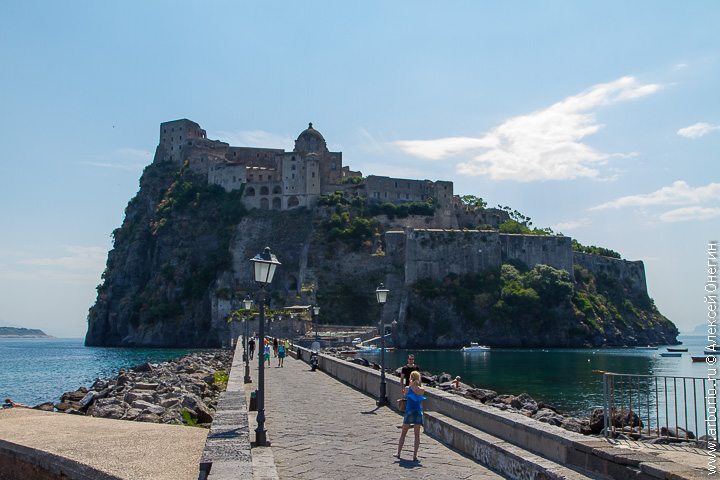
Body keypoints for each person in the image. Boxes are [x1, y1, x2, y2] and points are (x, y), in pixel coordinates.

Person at [395, 371, 426, 461]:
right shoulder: (421, 389)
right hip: (418, 412)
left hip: (409, 411)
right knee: (417, 435)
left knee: (403, 433)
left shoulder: (408, 388)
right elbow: (420, 393)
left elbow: (404, 394)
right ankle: (415, 455)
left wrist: (410, 384)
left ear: (410, 378)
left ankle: (398, 453)